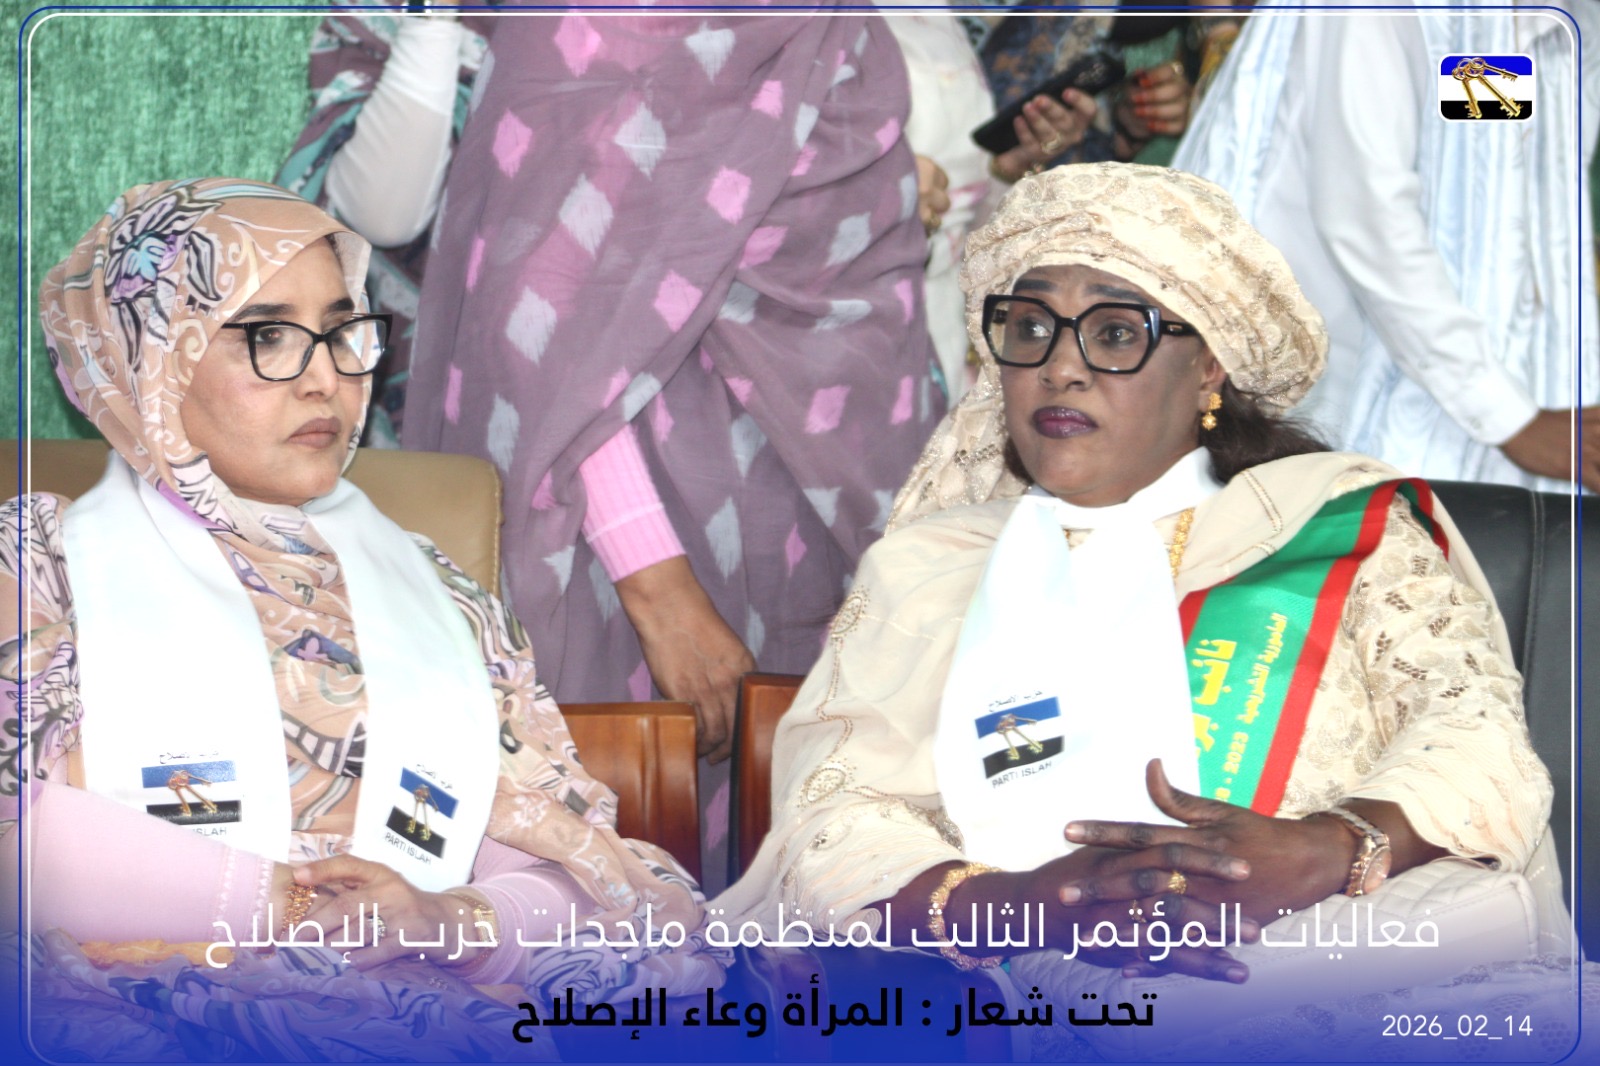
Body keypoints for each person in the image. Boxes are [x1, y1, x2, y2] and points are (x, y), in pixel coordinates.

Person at [715, 163, 1575, 1059]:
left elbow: (1475, 736)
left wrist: (1329, 849)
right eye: (1031, 328)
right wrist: (1025, 904)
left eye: (1117, 333)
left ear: (1209, 366)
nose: (1061, 368)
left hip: (1367, 954)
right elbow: (834, 815)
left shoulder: (1338, 528)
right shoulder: (935, 569)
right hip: (1055, 989)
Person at [3, 178, 727, 1060]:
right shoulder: (38, 562)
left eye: (342, 332)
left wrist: (452, 919)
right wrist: (281, 904)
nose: (326, 378)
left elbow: (571, 860)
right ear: (151, 358)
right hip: (118, 998)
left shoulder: (438, 592)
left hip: (411, 1003)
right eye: (269, 335)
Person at [400, 12, 948, 890]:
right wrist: (657, 587)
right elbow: (540, 307)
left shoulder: (834, 22)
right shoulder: (588, 26)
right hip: (633, 537)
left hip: (827, 520)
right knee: (630, 881)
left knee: (822, 877)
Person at [1175, 0, 1600, 493]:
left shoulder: (1553, 18)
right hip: (1338, 395)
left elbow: (1506, 199)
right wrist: (1509, 418)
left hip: (1454, 383)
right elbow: (1365, 214)